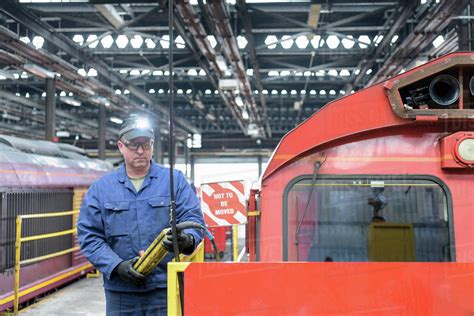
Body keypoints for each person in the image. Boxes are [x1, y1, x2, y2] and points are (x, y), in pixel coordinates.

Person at [77, 115, 204, 315]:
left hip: (165, 288)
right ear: (120, 146)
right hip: (122, 293)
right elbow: (90, 236)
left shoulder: (174, 181)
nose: (140, 151)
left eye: (145, 145)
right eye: (133, 145)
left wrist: (186, 239)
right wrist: (117, 266)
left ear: (152, 145)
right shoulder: (101, 189)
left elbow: (193, 220)